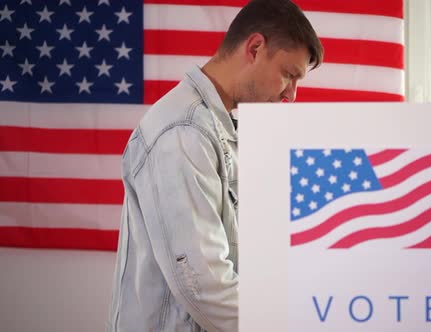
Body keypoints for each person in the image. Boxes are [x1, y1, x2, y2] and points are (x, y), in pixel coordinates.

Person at [107, 0, 323, 331]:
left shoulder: (215, 127)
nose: (291, 95)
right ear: (254, 48)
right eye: (288, 74)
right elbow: (205, 288)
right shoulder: (184, 131)